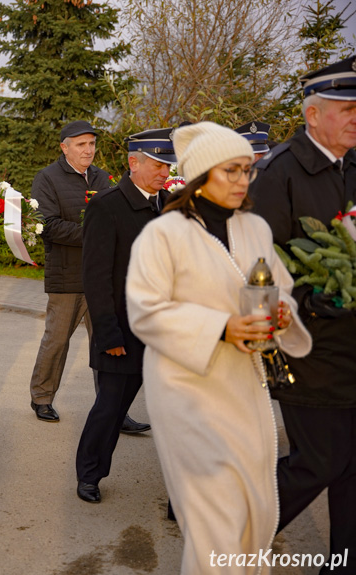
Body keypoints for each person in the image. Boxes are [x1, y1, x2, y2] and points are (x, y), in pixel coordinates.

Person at [126, 122, 311, 574]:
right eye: (230, 170)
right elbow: (145, 311)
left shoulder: (255, 228)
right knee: (215, 519)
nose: (242, 180)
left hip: (243, 387)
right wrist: (221, 327)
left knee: (251, 509)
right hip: (185, 389)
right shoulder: (163, 234)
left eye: (247, 170)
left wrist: (283, 313)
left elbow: (279, 289)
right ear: (200, 173)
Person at [251, 57, 356, 570]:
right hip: (307, 345)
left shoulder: (353, 165)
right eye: (348, 109)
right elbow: (255, 267)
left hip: (354, 345)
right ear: (313, 115)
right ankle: (234, 540)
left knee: (353, 468)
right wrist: (277, 328)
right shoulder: (278, 174)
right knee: (317, 463)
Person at [28, 120, 149, 433]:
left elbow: (117, 217)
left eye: (91, 144)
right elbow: (48, 225)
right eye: (80, 144)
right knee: (56, 340)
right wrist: (96, 233)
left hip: (104, 277)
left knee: (109, 342)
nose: (88, 150)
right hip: (67, 276)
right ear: (64, 147)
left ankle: (114, 409)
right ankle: (42, 397)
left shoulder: (102, 178)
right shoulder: (47, 178)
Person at [75, 128, 176, 504]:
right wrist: (108, 334)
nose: (164, 172)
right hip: (122, 329)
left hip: (164, 329)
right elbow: (96, 278)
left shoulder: (171, 205)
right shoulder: (107, 205)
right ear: (133, 163)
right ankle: (89, 474)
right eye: (157, 164)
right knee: (111, 409)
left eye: (167, 165)